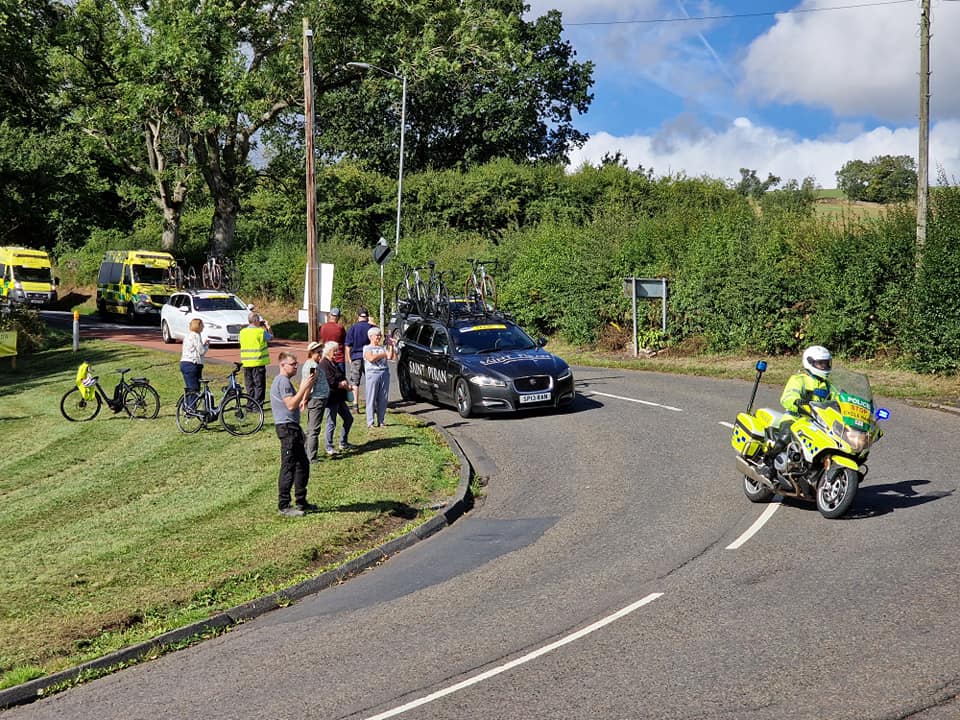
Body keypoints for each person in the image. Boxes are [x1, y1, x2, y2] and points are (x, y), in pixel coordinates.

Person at [760, 345, 836, 489]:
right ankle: (768, 465)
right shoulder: (799, 379)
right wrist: (796, 401)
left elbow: (840, 400)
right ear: (810, 362)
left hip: (817, 423)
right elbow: (788, 396)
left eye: (826, 363)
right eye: (820, 363)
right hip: (795, 418)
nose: (824, 366)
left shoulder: (828, 385)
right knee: (787, 435)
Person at [269, 350, 317, 517]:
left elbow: (296, 402)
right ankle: (284, 505)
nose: (296, 367)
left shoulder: (285, 382)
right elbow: (290, 405)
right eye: (293, 364)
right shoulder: (282, 381)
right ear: (282, 365)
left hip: (293, 428)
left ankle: (301, 502)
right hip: (287, 428)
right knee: (288, 467)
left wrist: (307, 388)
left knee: (302, 465)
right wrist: (303, 387)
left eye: (297, 364)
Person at [319, 340, 355, 455]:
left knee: (349, 418)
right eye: (334, 352)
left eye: (337, 351)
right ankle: (328, 446)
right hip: (331, 398)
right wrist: (341, 384)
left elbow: (341, 376)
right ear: (328, 351)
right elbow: (330, 381)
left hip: (339, 397)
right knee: (331, 422)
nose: (336, 354)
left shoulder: (334, 363)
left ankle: (343, 442)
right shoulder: (324, 364)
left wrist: (345, 383)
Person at [300, 341, 330, 463]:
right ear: (311, 353)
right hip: (317, 399)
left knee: (311, 428)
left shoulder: (309, 364)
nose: (320, 354)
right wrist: (304, 399)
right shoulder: (313, 366)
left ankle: (307, 452)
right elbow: (309, 384)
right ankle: (311, 457)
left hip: (318, 398)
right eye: (318, 352)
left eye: (321, 352)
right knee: (313, 429)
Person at [363, 326, 396, 428]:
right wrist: (383, 354)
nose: (378, 337)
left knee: (383, 398)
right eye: (377, 335)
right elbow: (371, 358)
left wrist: (391, 346)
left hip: (384, 373)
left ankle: (381, 421)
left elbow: (390, 356)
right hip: (372, 374)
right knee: (371, 398)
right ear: (371, 337)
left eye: (379, 335)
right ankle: (370, 422)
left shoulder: (382, 348)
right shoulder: (367, 348)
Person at [239, 312, 272, 409]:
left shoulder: (242, 332)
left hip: (246, 362)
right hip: (258, 362)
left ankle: (250, 404)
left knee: (249, 385)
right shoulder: (260, 332)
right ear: (256, 321)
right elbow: (271, 337)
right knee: (259, 385)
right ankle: (257, 406)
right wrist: (268, 326)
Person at [344, 307, 373, 413]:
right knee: (370, 380)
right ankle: (372, 403)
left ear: (358, 316)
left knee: (355, 382)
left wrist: (349, 358)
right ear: (367, 316)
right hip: (369, 357)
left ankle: (355, 405)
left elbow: (348, 345)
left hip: (356, 357)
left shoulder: (353, 328)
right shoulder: (371, 328)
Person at [179, 318, 208, 395]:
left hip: (184, 362)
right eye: (202, 325)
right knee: (194, 389)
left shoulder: (188, 335)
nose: (203, 327)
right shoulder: (195, 336)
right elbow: (201, 351)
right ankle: (192, 406)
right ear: (198, 326)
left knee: (190, 388)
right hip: (192, 364)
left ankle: (188, 405)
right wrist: (206, 345)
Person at [319, 307, 347, 373]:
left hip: (327, 357)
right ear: (338, 317)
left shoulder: (323, 327)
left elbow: (321, 339)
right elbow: (344, 340)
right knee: (341, 379)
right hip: (339, 356)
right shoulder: (340, 328)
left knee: (327, 378)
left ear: (330, 315)